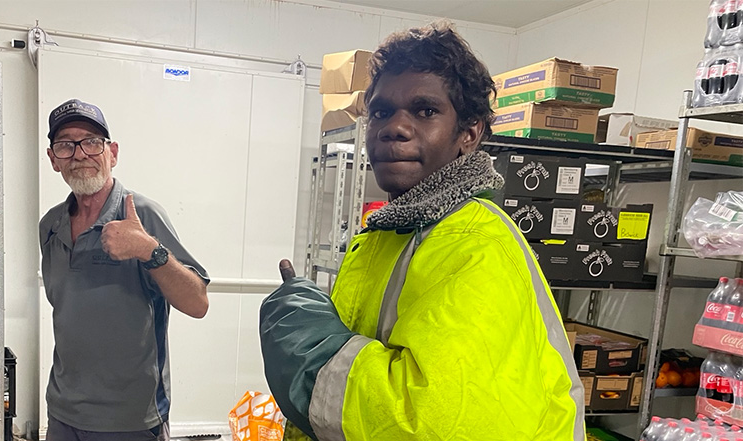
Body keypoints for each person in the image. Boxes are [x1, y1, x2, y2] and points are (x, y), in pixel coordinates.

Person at [259, 22, 584, 441]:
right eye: (381, 112)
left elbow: (429, 422)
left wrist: (307, 342)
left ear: (469, 133)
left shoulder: (473, 245)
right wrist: (320, 318)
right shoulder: (388, 234)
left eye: (425, 111)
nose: (395, 126)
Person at [40, 99, 210, 441]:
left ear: (112, 153)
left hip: (130, 421)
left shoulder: (142, 215)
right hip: (62, 414)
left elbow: (197, 303)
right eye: (65, 145)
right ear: (53, 160)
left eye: (91, 141)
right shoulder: (50, 225)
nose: (79, 154)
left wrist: (149, 250)